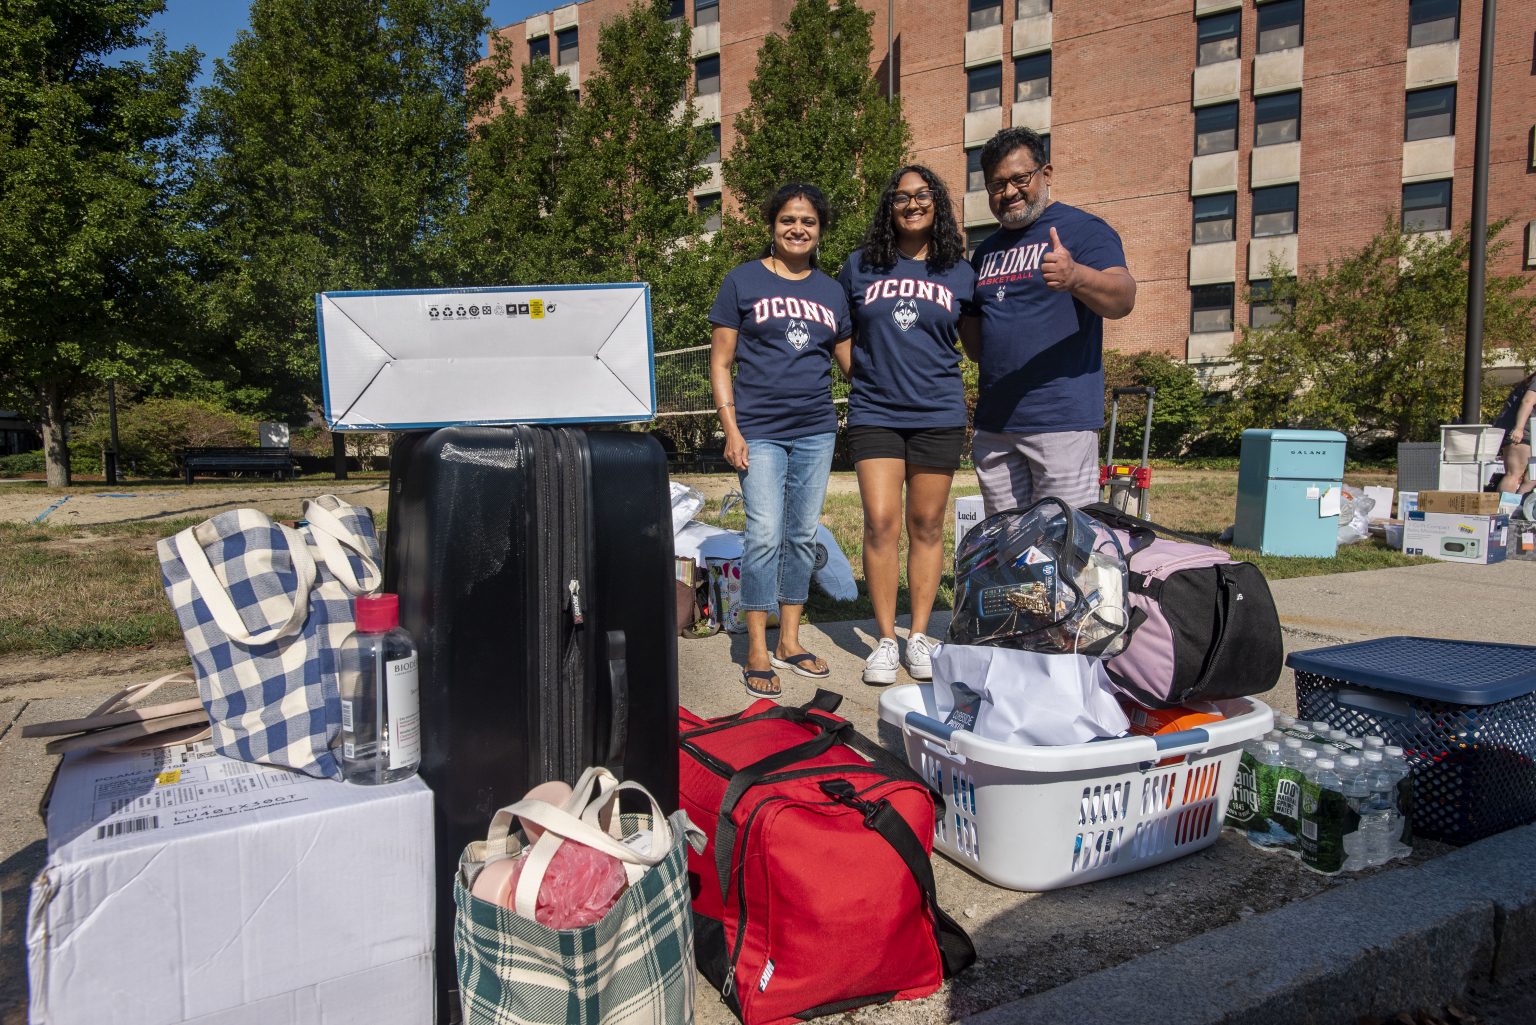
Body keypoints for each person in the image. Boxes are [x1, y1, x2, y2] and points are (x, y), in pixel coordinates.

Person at [709, 183, 852, 699]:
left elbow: (852, 365)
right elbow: (721, 362)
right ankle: (756, 646)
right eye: (789, 220)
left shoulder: (832, 292)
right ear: (772, 225)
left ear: (820, 230)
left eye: (808, 222)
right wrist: (732, 429)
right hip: (759, 431)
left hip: (816, 430)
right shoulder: (742, 281)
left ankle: (790, 641)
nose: (798, 229)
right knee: (765, 534)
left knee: (801, 535)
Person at [836, 166, 976, 685]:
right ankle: (886, 639)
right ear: (888, 206)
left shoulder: (958, 270)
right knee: (879, 521)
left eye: (922, 196)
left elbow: (974, 340)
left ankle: (918, 635)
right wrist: (866, 376)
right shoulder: (859, 267)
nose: (912, 204)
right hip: (876, 412)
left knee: (927, 524)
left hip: (938, 412)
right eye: (901, 197)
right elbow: (840, 333)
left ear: (937, 203)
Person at [958, 127, 1138, 516]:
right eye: (996, 184)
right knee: (1009, 548)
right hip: (996, 426)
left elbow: (1123, 297)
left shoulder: (1083, 230)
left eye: (1020, 178)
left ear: (1047, 174)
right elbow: (976, 348)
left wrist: (1076, 277)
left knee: (1065, 543)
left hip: (1061, 422)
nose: (1009, 192)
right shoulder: (985, 251)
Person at [1494, 370, 1536, 495]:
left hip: (1532, 433)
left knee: (1532, 478)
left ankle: (1519, 508)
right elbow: (1528, 401)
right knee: (1514, 473)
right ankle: (1504, 511)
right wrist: (1519, 428)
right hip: (1524, 432)